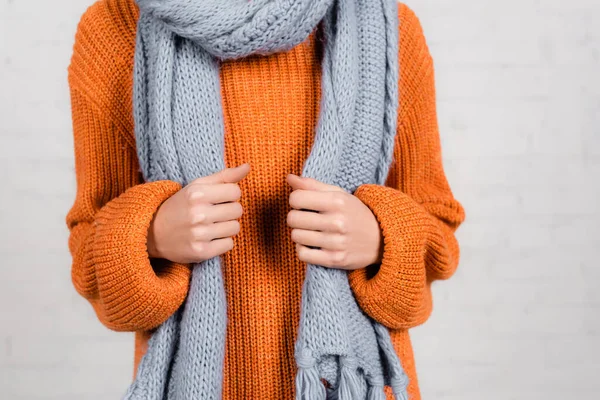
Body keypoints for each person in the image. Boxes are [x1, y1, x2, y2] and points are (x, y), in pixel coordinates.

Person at [65, 0, 465, 399]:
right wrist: (149, 235)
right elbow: (89, 258)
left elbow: (438, 234)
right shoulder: (116, 25)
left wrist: (381, 238)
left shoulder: (384, 25)